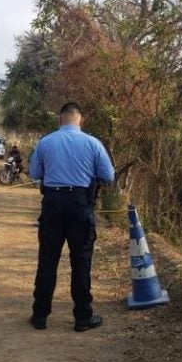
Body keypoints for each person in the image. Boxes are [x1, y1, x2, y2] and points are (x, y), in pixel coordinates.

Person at [28, 102, 115, 332]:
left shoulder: (45, 142)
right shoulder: (93, 143)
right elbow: (108, 175)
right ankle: (82, 317)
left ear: (60, 119)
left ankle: (40, 315)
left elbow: (35, 173)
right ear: (81, 120)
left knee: (47, 259)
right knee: (81, 261)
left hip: (53, 203)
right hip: (80, 204)